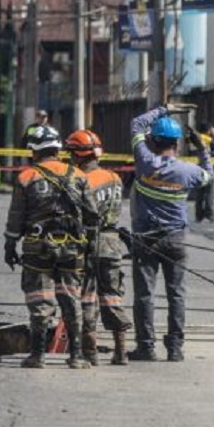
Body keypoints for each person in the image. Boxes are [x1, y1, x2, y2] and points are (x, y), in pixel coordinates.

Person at [4, 123, 97, 369]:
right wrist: (91, 249)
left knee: (39, 299)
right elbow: (92, 217)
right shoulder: (78, 175)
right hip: (72, 247)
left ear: (33, 150)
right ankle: (76, 356)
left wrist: (9, 245)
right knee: (71, 299)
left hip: (38, 247)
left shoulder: (26, 177)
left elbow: (16, 217)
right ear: (58, 148)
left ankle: (37, 355)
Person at [126, 105, 213, 362]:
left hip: (144, 239)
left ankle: (146, 346)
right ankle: (175, 348)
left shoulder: (144, 160)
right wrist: (201, 148)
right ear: (177, 143)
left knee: (144, 294)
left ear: (153, 141)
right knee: (176, 294)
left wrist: (165, 109)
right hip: (176, 240)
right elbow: (208, 176)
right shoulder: (188, 171)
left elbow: (136, 124)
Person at [65, 130, 131, 366]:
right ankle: (121, 351)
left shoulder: (80, 180)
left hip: (87, 243)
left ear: (78, 155)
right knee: (113, 295)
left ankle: (89, 351)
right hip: (112, 243)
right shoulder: (114, 178)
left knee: (87, 297)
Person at [192, 123, 214, 223]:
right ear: (208, 130)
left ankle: (199, 216)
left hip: (200, 169)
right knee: (211, 193)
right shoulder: (206, 138)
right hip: (207, 170)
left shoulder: (199, 138)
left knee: (200, 193)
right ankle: (209, 215)